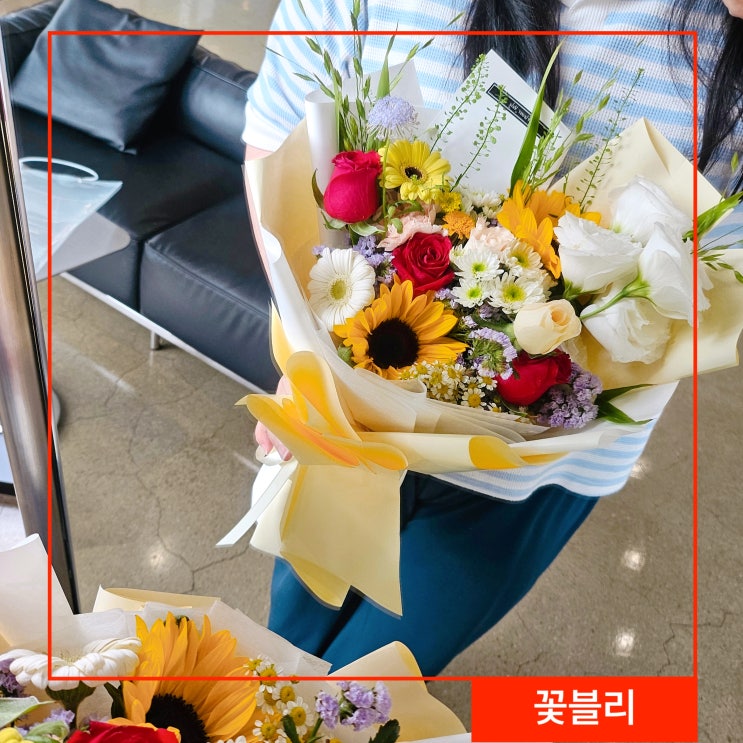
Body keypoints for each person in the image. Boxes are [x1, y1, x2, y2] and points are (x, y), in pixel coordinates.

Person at [242, 0, 743, 676]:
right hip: (344, 414)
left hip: (541, 460)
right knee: (281, 647)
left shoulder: (716, 47)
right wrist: (309, 358)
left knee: (372, 681)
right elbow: (277, 139)